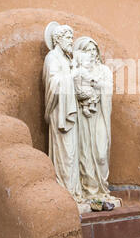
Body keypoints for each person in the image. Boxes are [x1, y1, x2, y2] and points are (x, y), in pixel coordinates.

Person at [73, 36, 120, 205]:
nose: (92, 54)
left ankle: (102, 188)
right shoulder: (76, 70)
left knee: (101, 153)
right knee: (85, 153)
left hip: (99, 114)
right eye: (87, 50)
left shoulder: (104, 70)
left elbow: (108, 89)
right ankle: (90, 191)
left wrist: (96, 85)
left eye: (94, 50)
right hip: (84, 118)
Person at [43, 23, 82, 203]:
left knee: (72, 153)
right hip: (60, 113)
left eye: (71, 38)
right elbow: (52, 84)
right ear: (58, 39)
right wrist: (71, 76)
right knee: (64, 154)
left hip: (71, 112)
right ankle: (65, 192)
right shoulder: (52, 57)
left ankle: (73, 191)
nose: (71, 41)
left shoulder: (67, 59)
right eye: (68, 38)